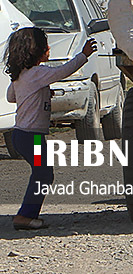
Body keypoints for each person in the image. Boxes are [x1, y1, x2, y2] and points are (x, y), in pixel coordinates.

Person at [4, 28, 97, 230]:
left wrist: (39, 95)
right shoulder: (37, 73)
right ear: (36, 50)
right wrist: (84, 55)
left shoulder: (22, 75)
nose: (48, 48)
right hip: (32, 137)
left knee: (41, 173)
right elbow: (62, 71)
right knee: (43, 174)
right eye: (45, 45)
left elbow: (11, 97)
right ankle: (25, 216)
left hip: (21, 135)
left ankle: (27, 215)